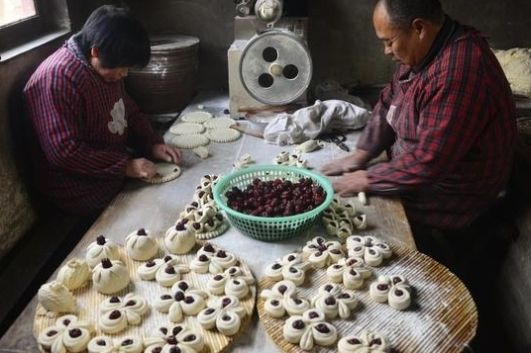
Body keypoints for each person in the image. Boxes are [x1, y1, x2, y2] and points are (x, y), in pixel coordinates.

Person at [322, 1, 517, 350]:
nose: (386, 50)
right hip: (421, 170)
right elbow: (387, 103)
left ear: (419, 28)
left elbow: (430, 162)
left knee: (374, 232)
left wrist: (367, 179)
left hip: (456, 192)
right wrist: (362, 154)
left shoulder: (461, 71)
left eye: (389, 41)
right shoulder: (419, 55)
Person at [24, 5, 181, 215]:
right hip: (77, 188)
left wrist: (152, 143)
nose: (123, 74)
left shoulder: (105, 67)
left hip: (114, 163)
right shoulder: (56, 79)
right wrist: (125, 166)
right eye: (121, 67)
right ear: (95, 51)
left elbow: (128, 110)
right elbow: (64, 152)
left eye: (128, 68)